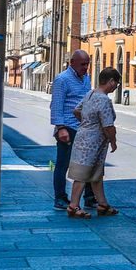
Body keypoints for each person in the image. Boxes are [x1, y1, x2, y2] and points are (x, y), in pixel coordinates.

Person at [66, 67, 122, 218]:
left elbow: (77, 110)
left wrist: (87, 123)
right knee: (83, 174)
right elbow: (108, 125)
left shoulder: (90, 94)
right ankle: (73, 206)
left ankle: (102, 204)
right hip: (92, 143)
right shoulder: (104, 100)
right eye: (116, 83)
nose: (117, 86)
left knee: (96, 174)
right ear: (110, 81)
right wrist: (113, 141)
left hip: (83, 137)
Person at [51, 50, 96, 210]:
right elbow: (56, 105)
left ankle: (90, 197)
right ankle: (60, 198)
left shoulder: (86, 78)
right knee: (63, 164)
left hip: (84, 128)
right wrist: (61, 128)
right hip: (68, 128)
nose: (86, 67)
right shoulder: (62, 79)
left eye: (87, 64)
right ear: (72, 63)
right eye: (83, 64)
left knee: (88, 163)